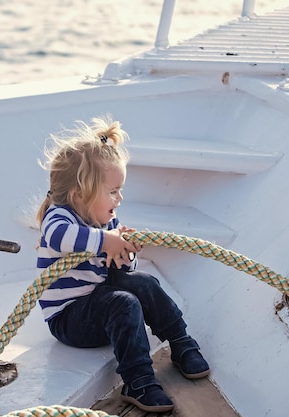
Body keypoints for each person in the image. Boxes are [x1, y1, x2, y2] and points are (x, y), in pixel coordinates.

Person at [35, 116, 210, 413]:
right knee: (123, 304)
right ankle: (137, 379)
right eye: (113, 191)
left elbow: (119, 272)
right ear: (80, 195)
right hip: (69, 318)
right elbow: (58, 236)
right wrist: (107, 241)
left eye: (120, 190)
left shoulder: (107, 220)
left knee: (145, 283)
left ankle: (180, 342)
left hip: (97, 300)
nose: (120, 198)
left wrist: (126, 252)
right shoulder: (59, 217)